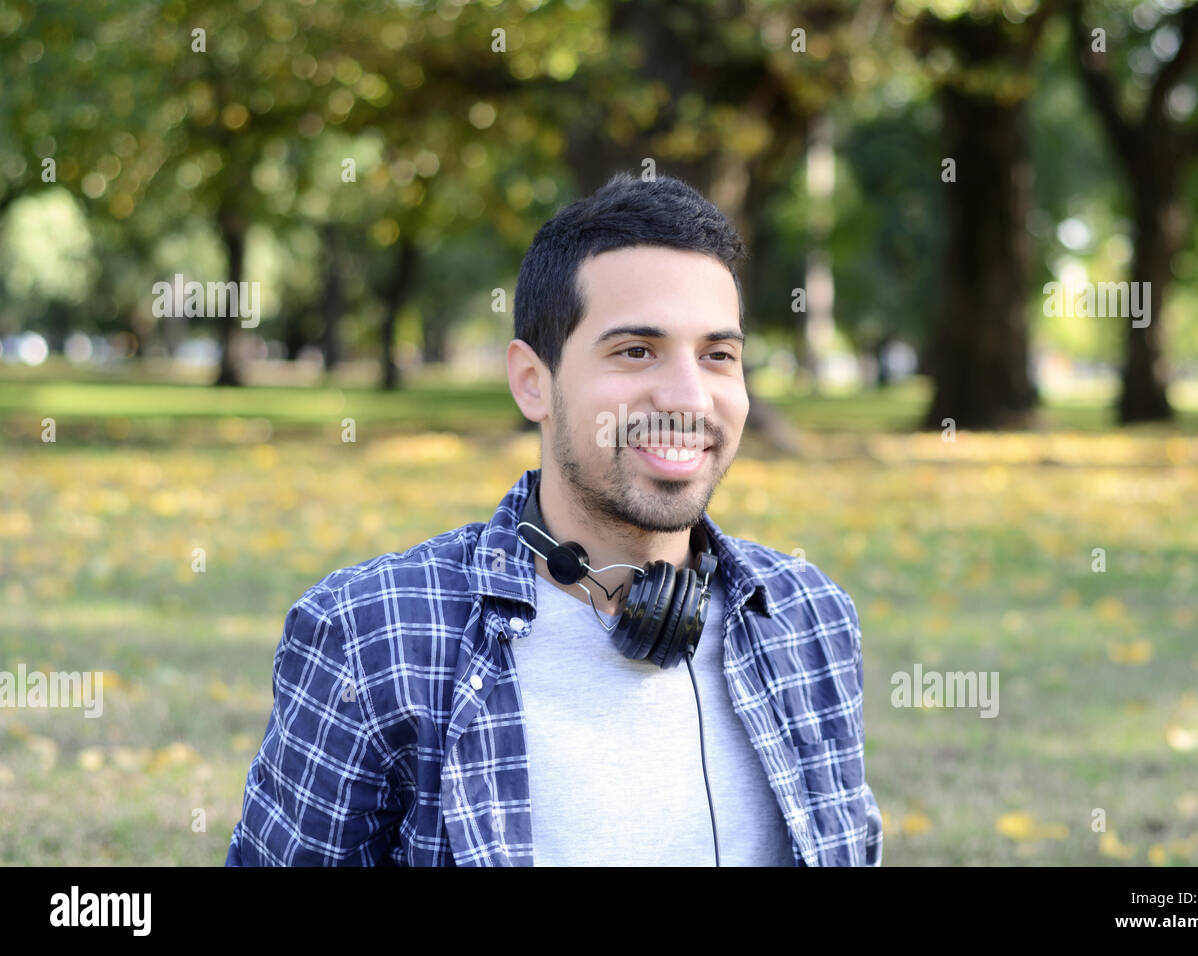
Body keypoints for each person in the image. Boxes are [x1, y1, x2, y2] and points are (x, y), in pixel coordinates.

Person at [225, 172, 882, 866]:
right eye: (636, 351)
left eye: (718, 355)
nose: (689, 395)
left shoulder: (810, 618)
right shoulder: (371, 634)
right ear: (532, 382)